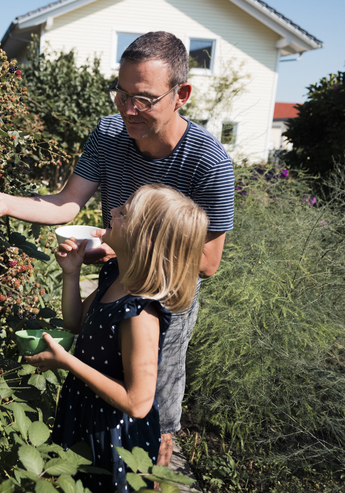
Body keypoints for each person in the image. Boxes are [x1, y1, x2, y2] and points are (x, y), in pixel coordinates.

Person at [0, 31, 235, 465]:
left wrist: (122, 249)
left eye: (143, 99)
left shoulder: (209, 163)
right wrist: (5, 202)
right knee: (95, 390)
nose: (127, 109)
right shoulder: (109, 132)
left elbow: (207, 263)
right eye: (121, 94)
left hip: (163, 303)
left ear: (181, 94)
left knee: (153, 418)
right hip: (116, 281)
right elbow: (68, 202)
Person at [25, 184, 208, 492]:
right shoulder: (115, 275)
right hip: (86, 412)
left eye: (123, 213)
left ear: (144, 239)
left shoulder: (140, 314)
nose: (111, 211)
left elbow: (137, 403)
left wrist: (67, 362)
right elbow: (75, 322)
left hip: (113, 435)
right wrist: (71, 274)